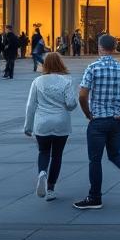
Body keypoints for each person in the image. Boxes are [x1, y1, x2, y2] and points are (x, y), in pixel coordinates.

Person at [74, 33, 120, 210]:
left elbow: (83, 95)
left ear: (100, 47)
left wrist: (88, 114)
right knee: (114, 155)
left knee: (95, 160)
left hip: (98, 121)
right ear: (114, 48)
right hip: (117, 121)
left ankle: (95, 197)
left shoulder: (93, 68)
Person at [25, 51, 78, 201]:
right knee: (57, 156)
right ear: (60, 63)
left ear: (45, 64)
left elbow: (31, 105)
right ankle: (51, 189)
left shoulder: (37, 81)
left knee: (43, 152)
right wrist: (68, 108)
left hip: (42, 123)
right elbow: (71, 103)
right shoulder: (66, 80)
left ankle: (42, 171)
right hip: (61, 122)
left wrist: (28, 127)